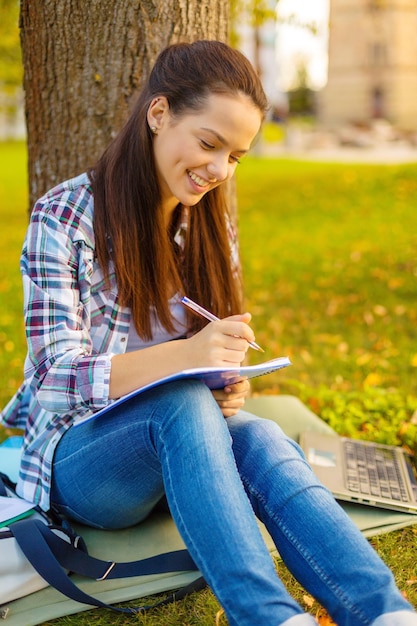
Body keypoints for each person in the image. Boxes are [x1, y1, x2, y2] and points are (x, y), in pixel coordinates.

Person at [1, 40, 416, 626]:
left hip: (185, 445)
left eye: (236, 156)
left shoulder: (208, 224)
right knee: (179, 399)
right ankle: (268, 617)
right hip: (82, 464)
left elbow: (202, 370)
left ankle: (384, 614)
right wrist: (185, 361)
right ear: (158, 113)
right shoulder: (65, 217)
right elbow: (51, 379)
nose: (219, 169)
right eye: (208, 143)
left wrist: (225, 379)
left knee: (263, 437)